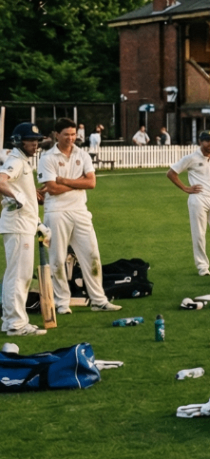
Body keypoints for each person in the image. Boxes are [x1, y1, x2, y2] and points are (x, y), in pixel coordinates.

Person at [38, 119, 118, 313]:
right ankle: (61, 302)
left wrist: (64, 179)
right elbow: (52, 189)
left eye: (73, 134)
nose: (71, 138)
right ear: (56, 134)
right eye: (66, 134)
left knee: (92, 256)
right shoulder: (47, 157)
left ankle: (99, 300)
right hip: (56, 212)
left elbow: (91, 183)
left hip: (80, 211)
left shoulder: (82, 155)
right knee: (57, 258)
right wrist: (78, 181)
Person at [167, 130, 210, 276]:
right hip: (197, 199)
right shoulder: (191, 158)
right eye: (207, 141)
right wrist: (185, 188)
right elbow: (171, 173)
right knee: (198, 234)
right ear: (200, 142)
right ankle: (202, 267)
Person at [0, 123, 47, 336]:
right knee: (19, 276)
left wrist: (37, 222)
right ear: (19, 140)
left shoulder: (24, 162)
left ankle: (12, 321)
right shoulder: (15, 161)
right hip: (17, 226)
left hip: (24, 224)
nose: (35, 144)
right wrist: (17, 196)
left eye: (37, 140)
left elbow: (23, 195)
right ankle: (15, 324)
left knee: (21, 275)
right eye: (31, 140)